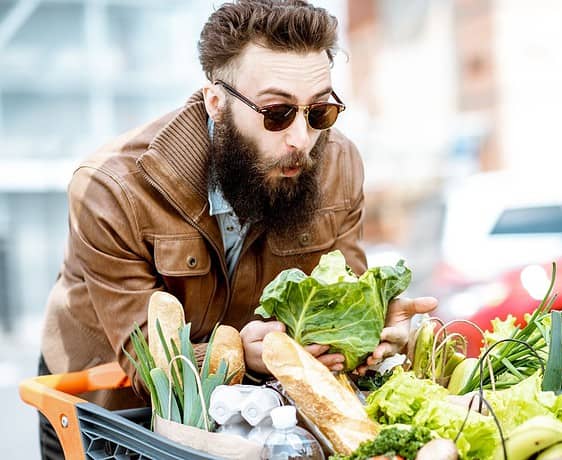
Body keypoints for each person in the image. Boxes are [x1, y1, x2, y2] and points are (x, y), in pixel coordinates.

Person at [38, 0, 437, 458]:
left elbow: (341, 293)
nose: (301, 140)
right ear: (216, 102)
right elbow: (145, 358)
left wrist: (367, 330)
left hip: (253, 406)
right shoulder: (110, 189)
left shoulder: (339, 163)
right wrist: (238, 355)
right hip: (108, 407)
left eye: (320, 112)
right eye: (276, 113)